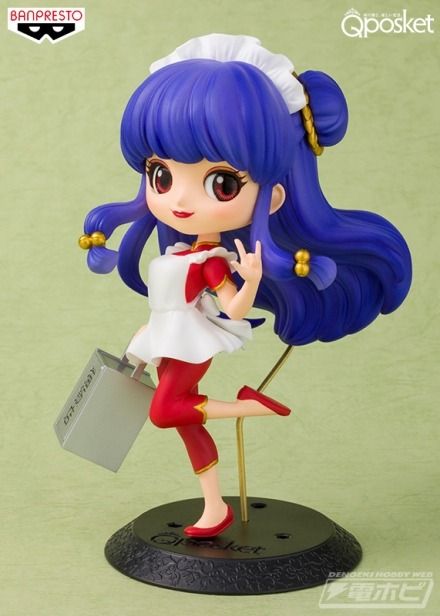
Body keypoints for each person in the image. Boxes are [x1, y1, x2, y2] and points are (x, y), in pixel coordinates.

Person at [79, 34, 412, 537]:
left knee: (166, 411)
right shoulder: (181, 250)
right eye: (161, 175)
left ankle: (248, 407)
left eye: (222, 183)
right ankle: (215, 507)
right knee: (184, 425)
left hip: (189, 344)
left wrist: (252, 278)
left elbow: (233, 310)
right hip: (164, 338)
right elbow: (167, 304)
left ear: (273, 196)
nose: (180, 201)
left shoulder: (211, 261)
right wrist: (140, 347)